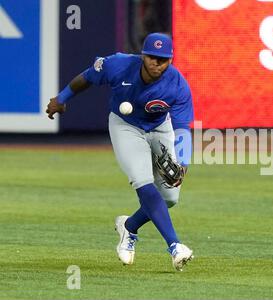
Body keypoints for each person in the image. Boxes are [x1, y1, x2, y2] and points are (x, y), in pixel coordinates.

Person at [46, 33, 194, 271]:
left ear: (171, 60)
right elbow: (87, 77)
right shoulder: (118, 64)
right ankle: (175, 245)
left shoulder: (177, 85)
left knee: (169, 198)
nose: (157, 63)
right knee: (144, 182)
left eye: (163, 59)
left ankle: (129, 227)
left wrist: (184, 162)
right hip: (125, 126)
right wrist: (62, 98)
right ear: (143, 55)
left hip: (159, 127)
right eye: (153, 57)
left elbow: (182, 128)